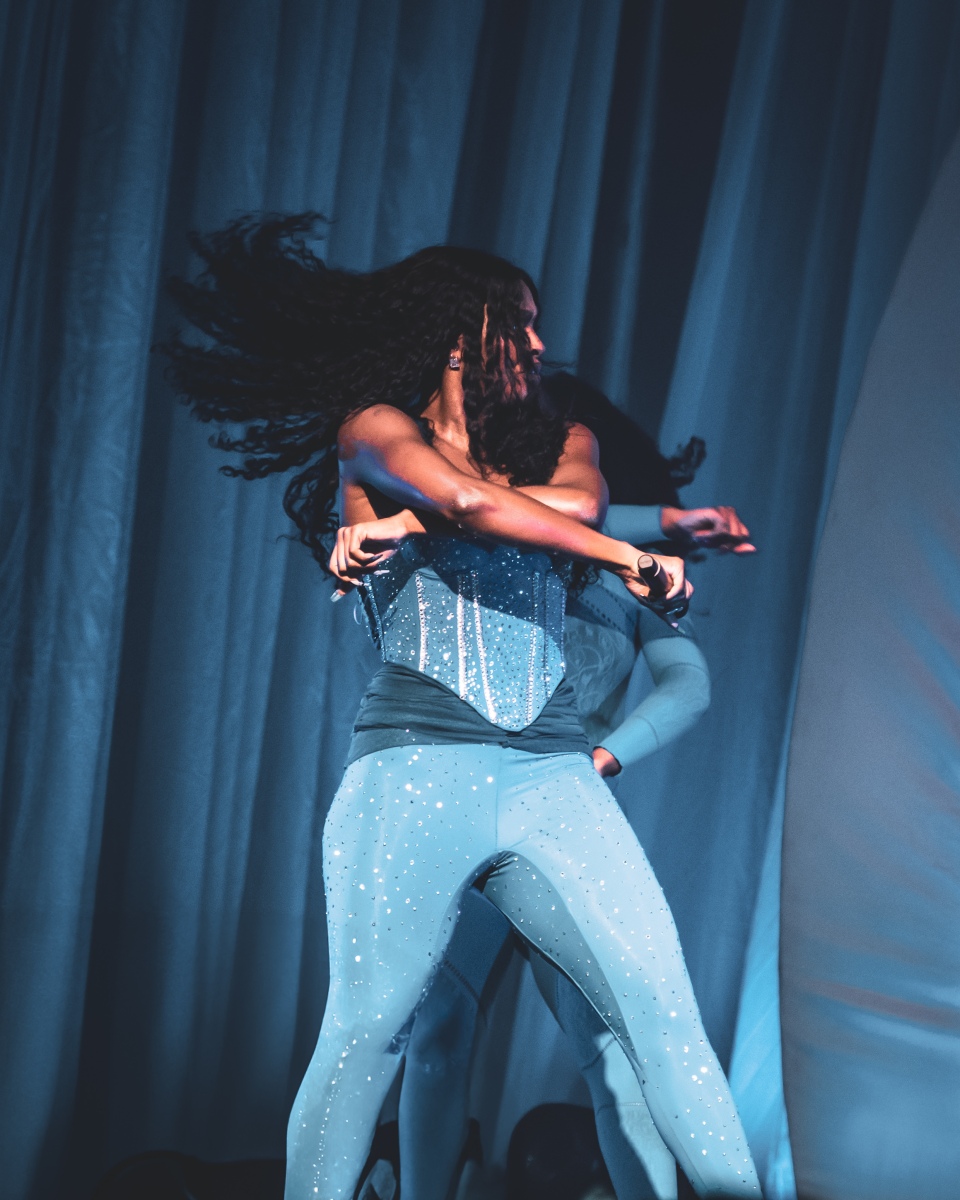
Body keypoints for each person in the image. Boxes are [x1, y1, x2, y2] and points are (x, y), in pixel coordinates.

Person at [164, 217, 759, 1200]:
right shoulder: (373, 429)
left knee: (665, 1027)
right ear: (456, 334)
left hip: (554, 778)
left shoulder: (567, 440)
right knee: (372, 1033)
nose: (538, 343)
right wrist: (628, 550)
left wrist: (430, 516)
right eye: (518, 323)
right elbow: (481, 506)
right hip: (414, 772)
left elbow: (564, 507)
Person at [345, 377, 754, 1200]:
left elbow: (687, 685)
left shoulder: (615, 579)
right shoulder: (483, 557)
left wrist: (599, 761)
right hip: (468, 809)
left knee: (612, 1053)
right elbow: (505, 513)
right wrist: (665, 523)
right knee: (441, 1030)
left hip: (561, 822)